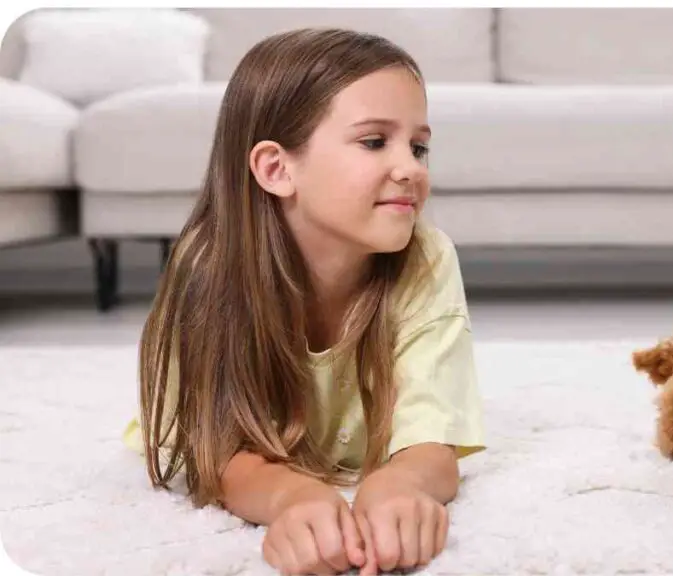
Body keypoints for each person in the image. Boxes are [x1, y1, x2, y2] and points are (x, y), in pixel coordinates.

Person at [121, 27, 486, 576]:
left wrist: (400, 483)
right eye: (373, 142)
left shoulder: (427, 258)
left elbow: (432, 441)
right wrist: (291, 497)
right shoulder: (209, 268)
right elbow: (213, 456)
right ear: (277, 168)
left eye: (418, 146)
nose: (411, 167)